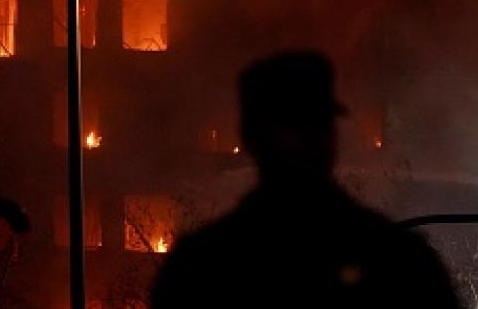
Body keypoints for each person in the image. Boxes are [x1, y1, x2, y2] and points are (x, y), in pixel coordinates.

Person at [151, 51, 459, 308]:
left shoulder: (199, 267)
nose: (300, 142)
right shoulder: (400, 261)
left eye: (309, 127)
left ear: (246, 138)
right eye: (291, 128)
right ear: (334, 137)